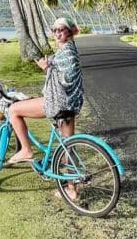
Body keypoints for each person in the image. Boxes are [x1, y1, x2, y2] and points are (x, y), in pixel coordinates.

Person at [7, 15, 84, 199]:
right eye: (55, 30)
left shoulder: (66, 52)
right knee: (68, 144)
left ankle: (26, 150)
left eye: (61, 29)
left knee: (14, 110)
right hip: (69, 103)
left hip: (58, 103)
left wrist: (46, 67)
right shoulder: (70, 50)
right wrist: (50, 66)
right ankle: (71, 189)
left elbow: (64, 77)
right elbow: (63, 75)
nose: (57, 33)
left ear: (71, 32)